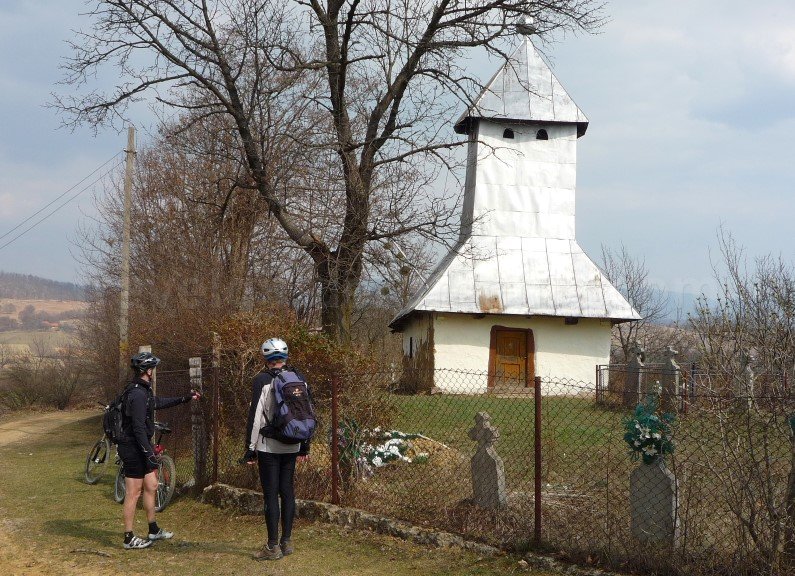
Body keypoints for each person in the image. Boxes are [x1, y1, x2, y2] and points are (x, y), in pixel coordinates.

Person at [117, 352, 200, 549]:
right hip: (132, 448)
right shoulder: (137, 394)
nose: (153, 371)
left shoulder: (144, 391)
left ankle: (153, 530)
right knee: (133, 492)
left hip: (141, 447)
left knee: (152, 485)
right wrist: (148, 452)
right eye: (152, 368)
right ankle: (128, 538)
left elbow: (157, 403)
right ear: (147, 370)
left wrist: (185, 398)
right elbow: (137, 427)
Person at [242, 338, 310, 561]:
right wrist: (304, 446)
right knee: (287, 491)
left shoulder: (261, 380)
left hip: (269, 446)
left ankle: (272, 547)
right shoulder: (298, 378)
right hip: (293, 443)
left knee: (271, 494)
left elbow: (255, 418)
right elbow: (306, 412)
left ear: (266, 358)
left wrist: (250, 449)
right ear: (285, 357)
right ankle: (287, 542)